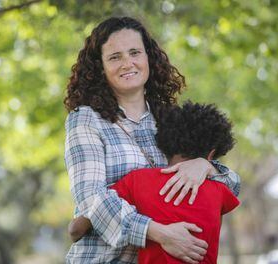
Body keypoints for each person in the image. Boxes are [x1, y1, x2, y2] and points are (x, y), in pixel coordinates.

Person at [64, 16, 240, 263]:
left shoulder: (170, 118)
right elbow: (92, 200)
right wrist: (159, 233)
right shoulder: (85, 120)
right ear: (100, 68)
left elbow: (230, 186)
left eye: (135, 52)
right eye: (115, 57)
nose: (127, 63)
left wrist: (205, 166)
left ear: (149, 58)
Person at [68, 102, 240, 264]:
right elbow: (234, 187)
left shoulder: (138, 181)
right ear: (212, 155)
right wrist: (208, 166)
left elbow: (81, 224)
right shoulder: (220, 189)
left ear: (165, 143)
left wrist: (75, 227)